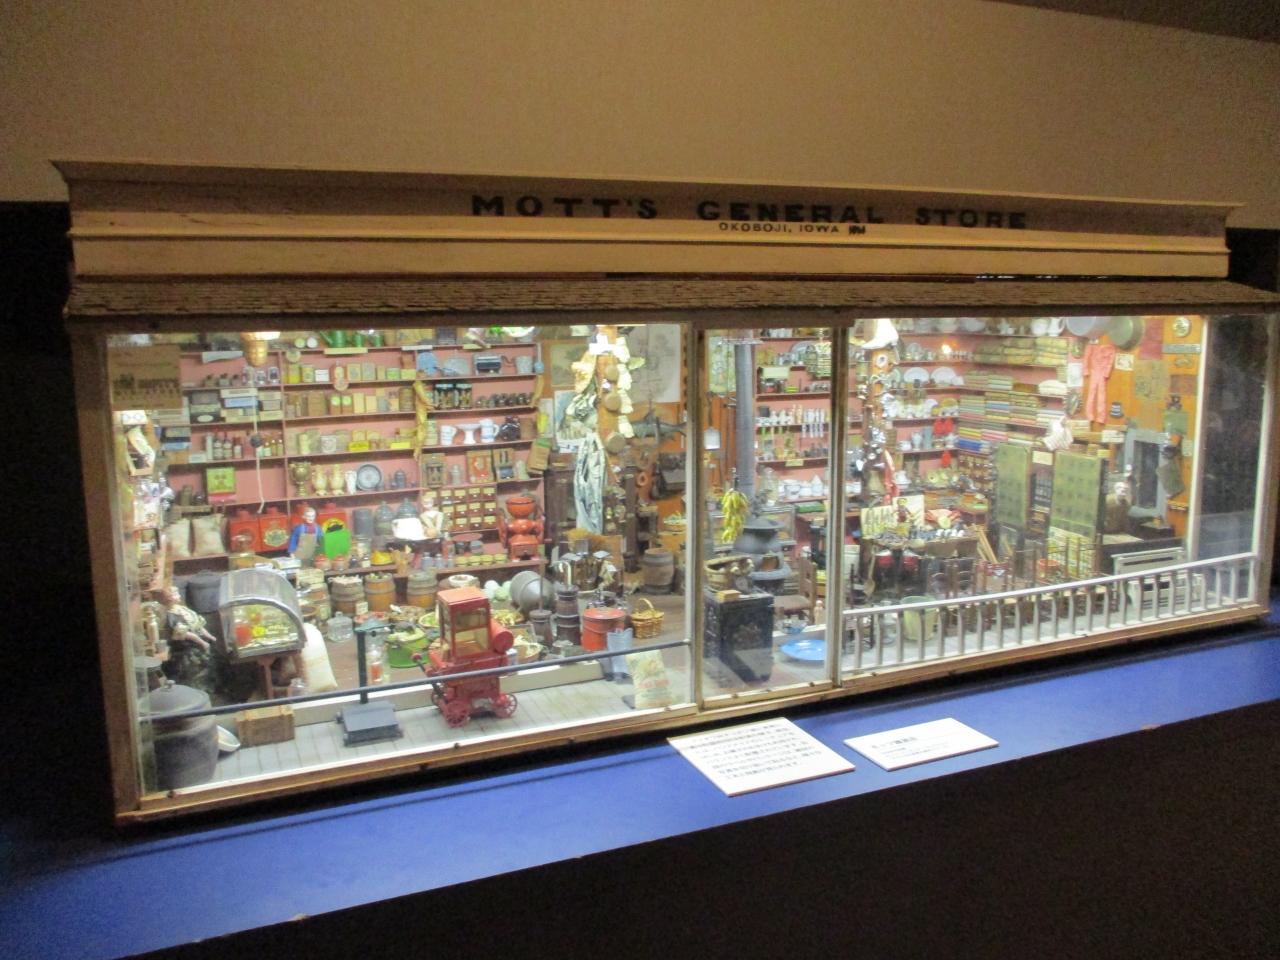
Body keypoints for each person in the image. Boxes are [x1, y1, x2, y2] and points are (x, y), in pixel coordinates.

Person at [155, 584, 216, 692]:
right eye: (175, 594)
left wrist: (209, 636)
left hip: (198, 646)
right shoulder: (172, 615)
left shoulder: (182, 609)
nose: (179, 595)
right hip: (187, 650)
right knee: (192, 672)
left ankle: (205, 688)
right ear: (169, 598)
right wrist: (202, 642)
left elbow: (198, 625)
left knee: (205, 668)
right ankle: (196, 690)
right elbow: (186, 634)